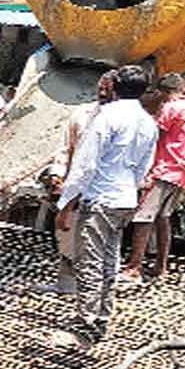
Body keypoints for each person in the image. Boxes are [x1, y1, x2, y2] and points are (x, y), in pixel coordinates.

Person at [53, 66, 158, 350]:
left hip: (100, 199)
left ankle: (85, 326)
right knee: (110, 262)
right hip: (124, 199)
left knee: (89, 262)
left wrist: (66, 203)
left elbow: (85, 165)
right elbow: (144, 168)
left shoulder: (106, 117)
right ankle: (102, 318)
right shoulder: (148, 123)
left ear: (114, 86)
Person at [33, 70, 117, 295]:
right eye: (100, 88)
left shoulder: (123, 122)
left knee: (94, 242)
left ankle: (92, 295)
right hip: (73, 185)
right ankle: (66, 284)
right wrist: (57, 175)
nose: (102, 93)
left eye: (108, 90)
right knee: (67, 235)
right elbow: (65, 148)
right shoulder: (82, 113)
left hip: (101, 191)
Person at [121, 73, 185, 280]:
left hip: (165, 170)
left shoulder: (170, 108)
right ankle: (161, 267)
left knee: (143, 217)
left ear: (161, 93)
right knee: (163, 219)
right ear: (183, 90)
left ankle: (133, 268)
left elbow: (153, 137)